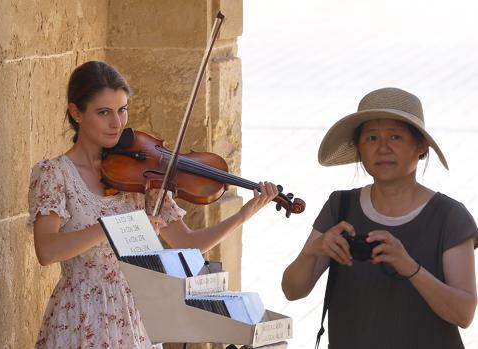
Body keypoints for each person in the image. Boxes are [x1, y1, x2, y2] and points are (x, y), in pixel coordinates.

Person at [27, 60, 279, 349]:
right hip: (80, 316)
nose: (117, 123)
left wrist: (243, 215)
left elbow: (187, 242)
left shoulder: (141, 176)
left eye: (122, 110)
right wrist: (116, 228)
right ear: (76, 112)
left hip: (135, 318)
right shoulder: (53, 174)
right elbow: (47, 251)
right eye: (103, 113)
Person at [281, 87, 478, 349]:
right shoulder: (340, 206)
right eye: (372, 138)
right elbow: (292, 291)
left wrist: (410, 267)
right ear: (359, 150)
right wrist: (311, 252)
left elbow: (463, 314)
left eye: (395, 137)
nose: (383, 148)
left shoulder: (449, 216)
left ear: (421, 146)